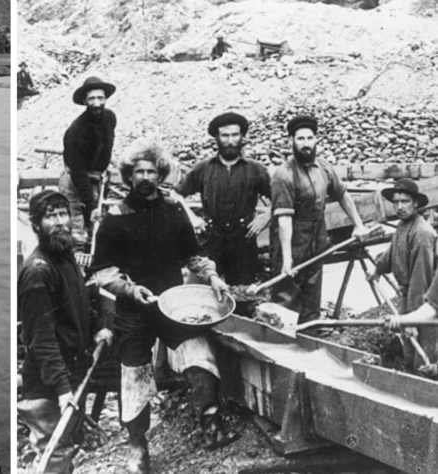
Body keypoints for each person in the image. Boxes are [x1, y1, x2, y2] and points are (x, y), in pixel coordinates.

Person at [92, 141, 238, 474]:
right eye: (138, 172)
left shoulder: (173, 211)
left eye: (151, 171)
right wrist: (129, 289)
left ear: (161, 174)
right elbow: (103, 274)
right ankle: (137, 448)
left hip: (174, 305)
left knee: (199, 354)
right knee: (134, 376)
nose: (145, 177)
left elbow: (193, 256)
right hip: (133, 309)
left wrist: (212, 276)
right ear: (129, 177)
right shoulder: (114, 219)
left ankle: (210, 425)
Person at [17, 189, 112, 474]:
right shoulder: (38, 271)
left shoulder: (65, 257)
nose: (59, 222)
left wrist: (97, 328)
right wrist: (61, 389)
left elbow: (79, 302)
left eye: (63, 214)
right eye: (50, 216)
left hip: (71, 372)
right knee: (54, 451)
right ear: (36, 225)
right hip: (48, 383)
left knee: (67, 446)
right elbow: (41, 340)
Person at [270, 115, 370, 324]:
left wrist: (358, 224)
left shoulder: (324, 168)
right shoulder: (284, 174)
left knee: (313, 286)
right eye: (300, 139)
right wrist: (287, 258)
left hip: (317, 235)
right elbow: (284, 219)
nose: (306, 144)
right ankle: (282, 340)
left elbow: (342, 194)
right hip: (293, 238)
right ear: (291, 142)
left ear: (316, 140)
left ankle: (309, 333)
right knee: (287, 290)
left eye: (309, 138)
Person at [177, 112, 271, 315]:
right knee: (201, 296)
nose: (230, 141)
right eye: (225, 136)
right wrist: (192, 218)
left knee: (243, 299)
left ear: (242, 137)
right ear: (216, 138)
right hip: (211, 239)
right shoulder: (203, 169)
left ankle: (237, 339)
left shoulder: (255, 170)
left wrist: (266, 216)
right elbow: (176, 194)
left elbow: (281, 199)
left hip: (243, 241)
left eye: (235, 135)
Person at [369, 179, 437, 365]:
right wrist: (377, 269)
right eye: (396, 202)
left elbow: (421, 280)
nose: (399, 206)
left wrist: (413, 320)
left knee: (424, 351)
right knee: (408, 346)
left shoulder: (422, 233)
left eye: (405, 201)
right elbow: (391, 254)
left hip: (424, 301)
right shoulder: (402, 226)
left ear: (415, 203)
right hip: (407, 297)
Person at [61, 76, 117, 247]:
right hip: (75, 182)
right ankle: (75, 267)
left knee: (96, 229)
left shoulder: (110, 118)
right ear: (85, 101)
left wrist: (106, 163)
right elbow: (78, 173)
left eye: (100, 98)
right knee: (77, 232)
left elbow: (105, 144)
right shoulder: (76, 131)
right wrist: (92, 205)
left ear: (105, 98)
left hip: (97, 178)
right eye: (92, 98)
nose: (97, 103)